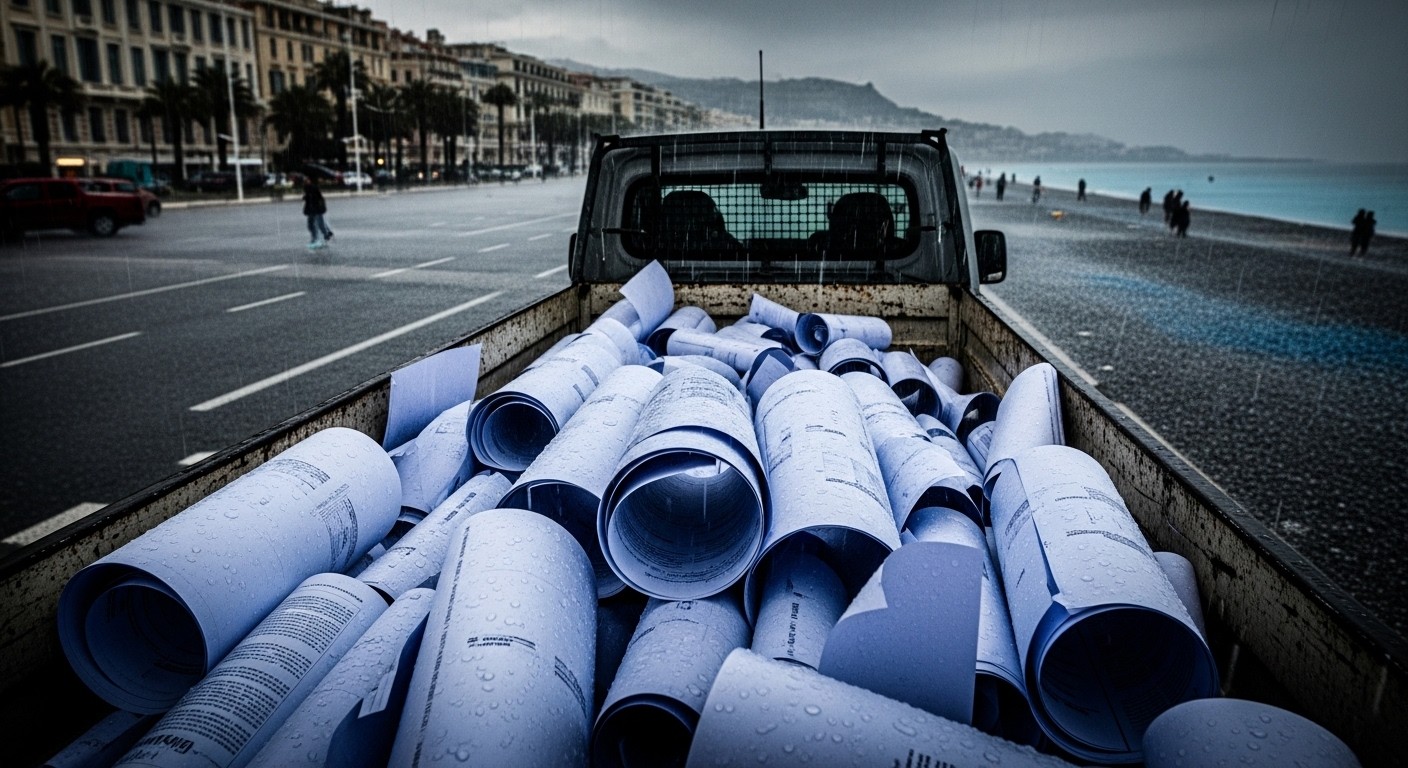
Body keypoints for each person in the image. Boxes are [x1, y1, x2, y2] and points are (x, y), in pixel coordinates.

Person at [302, 180, 332, 248]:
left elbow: (318, 198)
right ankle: (317, 238)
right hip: (311, 211)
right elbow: (309, 200)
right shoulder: (307, 189)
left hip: (317, 210)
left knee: (319, 225)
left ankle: (323, 237)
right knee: (311, 225)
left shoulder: (313, 188)